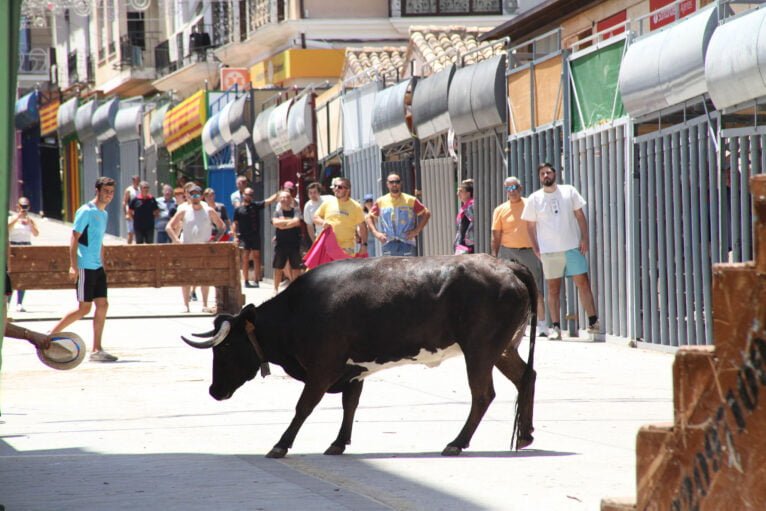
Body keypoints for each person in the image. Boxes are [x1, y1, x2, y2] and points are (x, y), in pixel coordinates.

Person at [522, 163, 599, 340]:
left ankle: (593, 321)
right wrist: (535, 248)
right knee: (553, 289)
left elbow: (580, 215)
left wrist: (585, 238)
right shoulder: (534, 198)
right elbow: (530, 226)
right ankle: (556, 327)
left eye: (548, 172)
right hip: (549, 251)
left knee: (583, 283)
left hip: (572, 246)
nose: (546, 175)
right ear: (539, 177)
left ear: (555, 173)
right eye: (542, 173)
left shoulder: (569, 191)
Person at [49, 177, 118, 362]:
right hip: (85, 266)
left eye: (111, 192)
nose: (109, 195)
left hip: (97, 267)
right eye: (106, 191)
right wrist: (73, 266)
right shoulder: (86, 211)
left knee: (103, 305)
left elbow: (99, 240)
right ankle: (48, 336)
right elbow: (74, 239)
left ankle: (96, 349)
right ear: (97, 190)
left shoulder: (103, 214)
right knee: (84, 308)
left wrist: (103, 263)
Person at [491, 177, 548, 336]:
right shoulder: (500, 209)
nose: (512, 191)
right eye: (508, 188)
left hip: (529, 251)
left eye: (514, 187)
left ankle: (542, 325)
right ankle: (516, 328)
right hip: (508, 251)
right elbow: (496, 234)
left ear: (520, 187)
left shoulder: (530, 204)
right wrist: (494, 256)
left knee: (534, 288)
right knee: (511, 290)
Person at [166, 184, 226, 313]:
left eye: (197, 194)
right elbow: (169, 226)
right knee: (185, 277)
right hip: (187, 248)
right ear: (189, 195)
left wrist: (215, 240)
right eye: (192, 194)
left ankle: (204, 304)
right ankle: (186, 305)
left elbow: (222, 226)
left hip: (204, 248)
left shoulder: (209, 210)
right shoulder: (184, 210)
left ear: (201, 196)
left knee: (205, 277)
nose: (195, 197)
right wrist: (176, 240)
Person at [367, 173, 430, 256]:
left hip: (407, 243)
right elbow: (369, 217)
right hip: (388, 244)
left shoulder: (410, 200)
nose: (394, 184)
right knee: (388, 269)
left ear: (401, 184)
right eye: (391, 182)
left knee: (408, 268)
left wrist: (416, 231)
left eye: (397, 182)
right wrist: (376, 233)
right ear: (387, 184)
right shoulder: (381, 201)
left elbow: (426, 214)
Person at [231, 187, 278, 288]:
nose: (249, 196)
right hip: (244, 236)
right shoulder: (238, 209)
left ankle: (257, 280)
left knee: (257, 256)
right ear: (243, 195)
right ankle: (246, 281)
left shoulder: (255, 206)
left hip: (255, 235)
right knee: (245, 257)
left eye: (251, 195)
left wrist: (278, 193)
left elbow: (268, 201)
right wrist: (235, 236)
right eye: (247, 194)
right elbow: (234, 223)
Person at [313, 177, 368, 256]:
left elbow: (362, 226)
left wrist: (364, 245)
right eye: (335, 186)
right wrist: (323, 222)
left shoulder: (356, 207)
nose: (336, 189)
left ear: (348, 190)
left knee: (345, 269)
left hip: (346, 248)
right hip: (328, 246)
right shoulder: (328, 203)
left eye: (340, 187)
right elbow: (315, 218)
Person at [7, 197, 39, 312]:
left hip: (26, 248)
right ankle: (8, 301)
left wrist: (30, 223)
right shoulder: (11, 218)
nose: (23, 209)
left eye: (26, 207)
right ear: (17, 207)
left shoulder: (30, 220)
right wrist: (17, 218)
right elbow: (7, 229)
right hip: (13, 248)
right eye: (22, 206)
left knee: (23, 276)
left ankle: (19, 303)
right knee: (11, 276)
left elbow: (36, 234)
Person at [271, 191, 303, 294]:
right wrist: (290, 222)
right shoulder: (276, 212)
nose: (284, 199)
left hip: (294, 243)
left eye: (287, 197)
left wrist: (283, 224)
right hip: (281, 244)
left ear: (290, 199)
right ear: (279, 200)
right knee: (278, 267)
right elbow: (276, 223)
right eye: (282, 198)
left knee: (296, 267)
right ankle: (275, 289)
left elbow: (297, 222)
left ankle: (295, 289)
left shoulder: (296, 211)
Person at [454, 179, 475, 254]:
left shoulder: (471, 205)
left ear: (468, 193)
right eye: (458, 191)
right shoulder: (465, 206)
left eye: (461, 191)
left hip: (469, 246)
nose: (458, 193)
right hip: (464, 245)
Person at [122, 175, 140, 244]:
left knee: (138, 232)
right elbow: (124, 202)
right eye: (136, 180)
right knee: (130, 232)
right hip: (130, 213)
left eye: (139, 180)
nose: (138, 182)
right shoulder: (129, 190)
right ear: (133, 181)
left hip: (138, 213)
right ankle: (128, 248)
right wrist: (126, 214)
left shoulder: (140, 189)